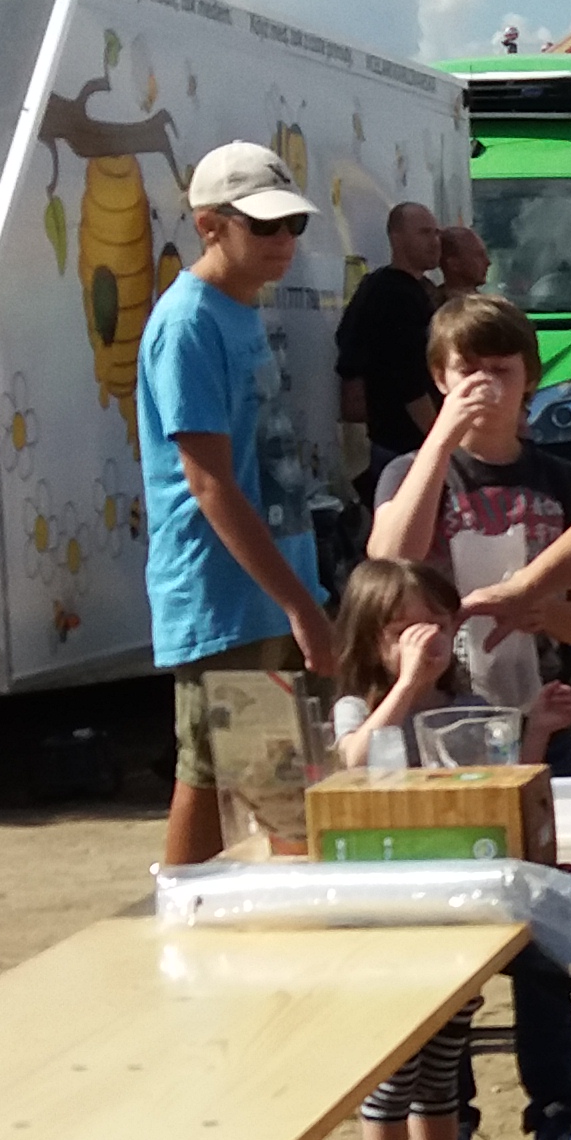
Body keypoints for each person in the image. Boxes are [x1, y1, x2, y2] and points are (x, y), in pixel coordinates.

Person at [370, 287, 571, 1140]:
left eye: (501, 371)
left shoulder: (562, 483)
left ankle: (558, 1115)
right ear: (439, 377)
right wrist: (440, 440)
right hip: (438, 734)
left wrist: (549, 614)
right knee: (450, 939)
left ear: (529, 379)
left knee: (543, 931)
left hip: (538, 720)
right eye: (466, 371)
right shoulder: (412, 472)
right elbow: (387, 559)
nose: (485, 388)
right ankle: (452, 1122)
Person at [142, 139, 338, 867]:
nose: (283, 240)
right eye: (264, 225)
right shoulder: (189, 322)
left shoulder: (237, 309)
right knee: (210, 767)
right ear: (208, 225)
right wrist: (300, 603)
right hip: (220, 591)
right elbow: (209, 484)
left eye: (293, 224)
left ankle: (287, 905)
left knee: (283, 776)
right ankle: (180, 910)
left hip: (269, 583)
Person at [324, 554, 485, 1140]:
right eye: (403, 630)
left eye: (437, 624)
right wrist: (408, 687)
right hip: (387, 914)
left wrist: (539, 729)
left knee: (442, 1066)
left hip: (454, 909)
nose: (425, 642)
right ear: (371, 640)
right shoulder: (361, 707)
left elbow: (493, 775)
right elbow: (354, 761)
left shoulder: (461, 702)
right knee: (393, 1071)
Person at [335, 198, 447, 502]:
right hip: (404, 448)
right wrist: (443, 443)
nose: (435, 241)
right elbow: (409, 383)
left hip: (400, 445)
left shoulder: (399, 289)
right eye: (424, 233)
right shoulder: (393, 295)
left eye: (436, 233)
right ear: (396, 238)